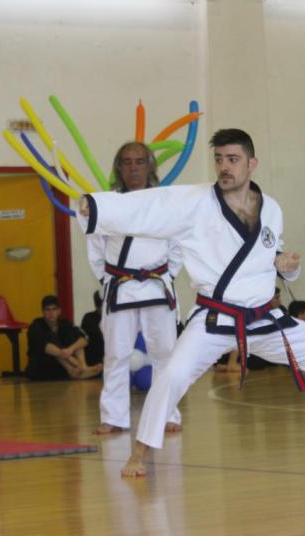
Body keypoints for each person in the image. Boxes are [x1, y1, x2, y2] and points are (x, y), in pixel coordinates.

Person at [78, 128, 305, 477]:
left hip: (264, 316)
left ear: (252, 163)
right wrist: (96, 207)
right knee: (171, 376)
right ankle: (139, 452)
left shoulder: (271, 208)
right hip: (216, 317)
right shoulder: (195, 203)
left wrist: (287, 266)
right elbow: (150, 205)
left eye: (233, 159)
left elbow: (270, 255)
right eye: (219, 160)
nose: (224, 167)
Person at [89, 141, 184, 435]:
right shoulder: (107, 204)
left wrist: (165, 275)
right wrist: (109, 279)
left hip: (156, 285)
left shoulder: (166, 203)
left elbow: (177, 245)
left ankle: (167, 414)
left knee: (165, 354)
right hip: (120, 286)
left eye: (140, 161)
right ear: (119, 167)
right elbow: (96, 248)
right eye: (127, 162)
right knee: (116, 354)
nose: (133, 168)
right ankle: (114, 417)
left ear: (150, 166)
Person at [26, 295, 103, 381]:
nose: (51, 313)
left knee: (76, 340)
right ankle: (73, 371)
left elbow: (84, 340)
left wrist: (70, 349)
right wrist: (69, 357)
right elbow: (44, 346)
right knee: (54, 347)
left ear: (59, 311)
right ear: (43, 312)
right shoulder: (36, 325)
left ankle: (83, 367)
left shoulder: (64, 324)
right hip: (42, 367)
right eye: (47, 309)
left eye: (54, 309)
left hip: (61, 367)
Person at [80, 291, 105, 367]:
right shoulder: (89, 318)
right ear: (97, 306)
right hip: (94, 359)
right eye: (101, 306)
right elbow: (97, 337)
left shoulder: (115, 319)